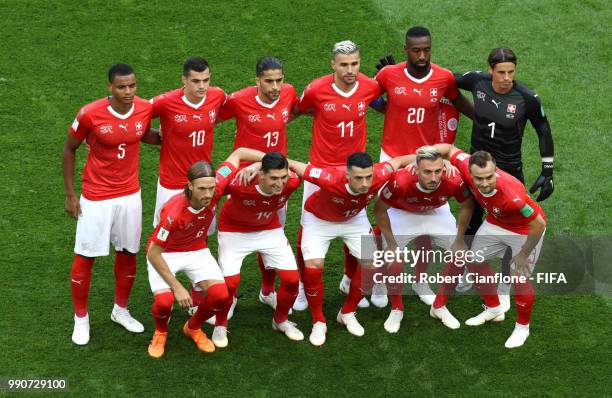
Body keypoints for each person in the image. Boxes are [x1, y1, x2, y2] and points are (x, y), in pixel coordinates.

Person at [372, 26, 474, 306]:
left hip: (429, 159)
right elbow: (371, 97)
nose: (422, 55)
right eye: (416, 50)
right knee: (387, 215)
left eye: (427, 49)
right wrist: (389, 107)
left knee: (429, 216)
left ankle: (419, 278)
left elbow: (458, 100)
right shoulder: (388, 74)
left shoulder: (443, 77)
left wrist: (484, 119)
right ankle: (381, 280)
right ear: (406, 50)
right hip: (392, 157)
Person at [62, 63, 157, 345]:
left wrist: (172, 138)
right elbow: (69, 149)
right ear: (110, 88)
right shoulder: (89, 113)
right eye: (121, 87)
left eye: (132, 86)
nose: (128, 92)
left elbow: (142, 133)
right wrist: (70, 194)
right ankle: (81, 318)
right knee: (86, 255)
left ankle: (121, 310)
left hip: (130, 193)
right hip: (97, 195)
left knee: (128, 252)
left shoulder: (143, 108)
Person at [146, 148, 265, 358]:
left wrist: (263, 162)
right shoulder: (173, 214)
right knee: (165, 302)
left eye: (211, 188)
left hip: (196, 250)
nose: (208, 194)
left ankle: (193, 327)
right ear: (190, 186)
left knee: (220, 295)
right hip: (166, 254)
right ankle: (161, 331)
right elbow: (153, 253)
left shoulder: (215, 187)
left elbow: (238, 154)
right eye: (202, 189)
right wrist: (178, 287)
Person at [454, 47, 554, 293]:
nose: (506, 78)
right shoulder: (477, 82)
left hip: (509, 171)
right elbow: (444, 79)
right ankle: (470, 270)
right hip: (477, 168)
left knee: (512, 222)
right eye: (501, 72)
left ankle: (507, 278)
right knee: (473, 216)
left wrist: (548, 170)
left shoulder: (527, 98)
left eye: (511, 72)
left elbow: (543, 130)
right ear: (490, 70)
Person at [287, 152, 412, 346]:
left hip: (353, 218)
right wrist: (256, 165)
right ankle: (318, 321)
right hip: (319, 220)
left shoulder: (380, 173)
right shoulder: (328, 178)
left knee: (372, 264)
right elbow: (293, 163)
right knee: (314, 264)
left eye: (368, 177)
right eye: (358, 178)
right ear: (347, 176)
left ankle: (347, 312)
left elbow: (400, 160)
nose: (365, 183)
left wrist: (436, 161)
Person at [295, 40, 384, 310]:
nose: (350, 70)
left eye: (354, 63)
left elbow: (382, 104)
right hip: (320, 170)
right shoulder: (316, 89)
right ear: (333, 64)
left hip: (355, 173)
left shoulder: (370, 86)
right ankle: (301, 286)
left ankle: (348, 280)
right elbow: (302, 109)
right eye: (344, 64)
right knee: (306, 228)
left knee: (355, 222)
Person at [432, 144, 546, 348]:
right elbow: (448, 149)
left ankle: (522, 328)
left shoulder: (512, 195)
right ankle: (494, 307)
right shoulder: (465, 164)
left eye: (489, 177)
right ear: (469, 173)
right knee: (474, 261)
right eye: (479, 179)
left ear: (496, 171)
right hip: (496, 222)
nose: (485, 183)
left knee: (519, 278)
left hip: (524, 230)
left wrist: (523, 254)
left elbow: (538, 224)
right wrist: (431, 158)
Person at [218, 57, 299, 309]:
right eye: (269, 81)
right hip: (244, 180)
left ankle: (267, 290)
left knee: (272, 233)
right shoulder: (239, 100)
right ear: (257, 81)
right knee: (237, 229)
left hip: (276, 181)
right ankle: (228, 295)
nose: (275, 87)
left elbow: (291, 112)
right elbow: (210, 117)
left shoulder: (288, 93)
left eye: (279, 80)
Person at [373, 146, 474, 333]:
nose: (434, 178)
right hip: (402, 213)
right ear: (416, 169)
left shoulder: (453, 178)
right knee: (393, 259)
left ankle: (439, 306)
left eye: (438, 171)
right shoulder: (400, 181)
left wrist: (460, 238)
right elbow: (379, 209)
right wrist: (392, 244)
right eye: (427, 172)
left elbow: (467, 205)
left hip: (435, 211)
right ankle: (397, 308)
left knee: (460, 255)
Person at [211, 152, 303, 347]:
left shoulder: (293, 181)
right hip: (234, 231)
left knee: (292, 280)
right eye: (274, 178)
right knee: (230, 284)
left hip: (268, 229)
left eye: (283, 177)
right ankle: (220, 324)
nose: (280, 184)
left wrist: (257, 164)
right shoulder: (239, 183)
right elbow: (214, 183)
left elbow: (315, 171)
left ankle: (280, 321)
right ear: (261, 175)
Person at [150, 56, 226, 228]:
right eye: (196, 81)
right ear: (184, 79)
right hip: (172, 181)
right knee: (167, 230)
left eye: (206, 80)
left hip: (203, 180)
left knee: (201, 229)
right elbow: (135, 118)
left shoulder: (217, 95)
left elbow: (224, 112)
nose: (202, 86)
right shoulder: (165, 102)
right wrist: (160, 137)